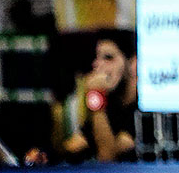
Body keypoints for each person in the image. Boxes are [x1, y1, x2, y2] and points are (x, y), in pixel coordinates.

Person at [25, 30, 140, 165]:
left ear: (133, 63)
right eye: (97, 57)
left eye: (108, 58)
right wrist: (44, 156)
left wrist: (96, 97)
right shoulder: (113, 104)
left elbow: (108, 157)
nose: (98, 64)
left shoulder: (145, 107)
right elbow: (79, 143)